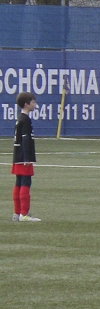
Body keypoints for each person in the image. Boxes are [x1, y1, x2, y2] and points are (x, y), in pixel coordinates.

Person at [11, 92, 40, 222]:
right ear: (26, 104)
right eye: (33, 102)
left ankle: (17, 213)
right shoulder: (26, 120)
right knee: (26, 183)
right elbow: (26, 139)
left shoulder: (19, 118)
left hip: (17, 156)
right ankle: (24, 213)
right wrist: (27, 158)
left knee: (18, 182)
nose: (35, 104)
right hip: (23, 157)